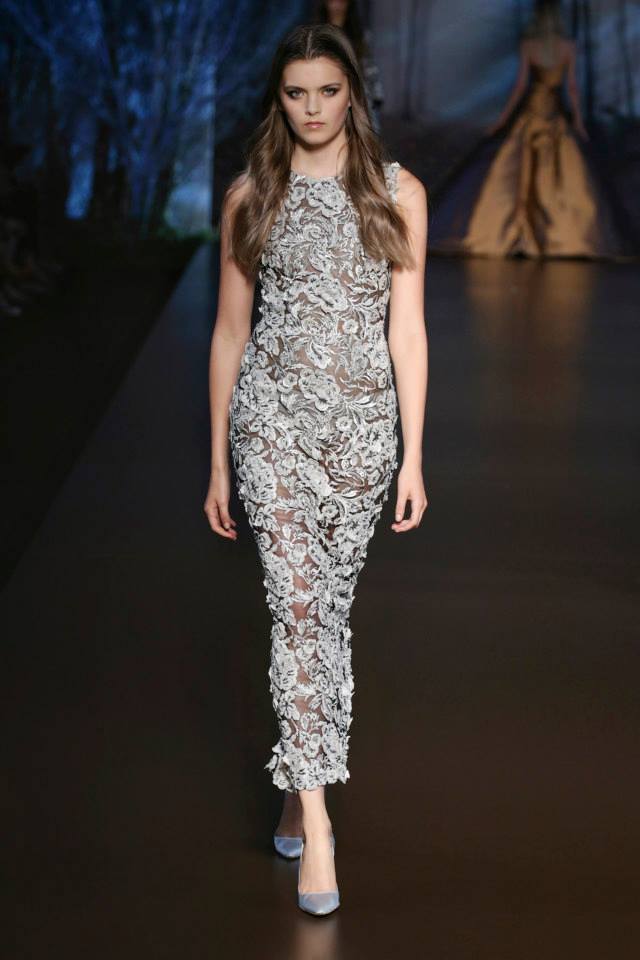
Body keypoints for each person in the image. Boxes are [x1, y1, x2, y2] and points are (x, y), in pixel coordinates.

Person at [204, 23, 428, 915]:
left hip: (362, 436)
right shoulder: (250, 195)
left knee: (327, 613)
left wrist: (415, 454)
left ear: (352, 94)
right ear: (278, 98)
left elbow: (406, 329)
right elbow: (230, 332)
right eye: (295, 93)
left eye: (327, 91)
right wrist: (218, 461)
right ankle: (322, 830)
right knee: (295, 608)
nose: (311, 108)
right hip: (271, 429)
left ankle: (297, 789)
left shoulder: (396, 192)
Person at [430, 0, 624, 259]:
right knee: (558, 170)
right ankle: (555, 236)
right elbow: (572, 88)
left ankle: (519, 233)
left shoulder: (530, 46)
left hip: (534, 108)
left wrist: (502, 120)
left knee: (519, 169)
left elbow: (521, 86)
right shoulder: (567, 46)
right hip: (552, 110)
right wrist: (577, 121)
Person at [315, 0, 385, 133]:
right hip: (326, 97)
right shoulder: (315, 34)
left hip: (358, 97)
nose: (336, 4)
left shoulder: (360, 35)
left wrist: (376, 97)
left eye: (341, 1)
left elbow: (369, 67)